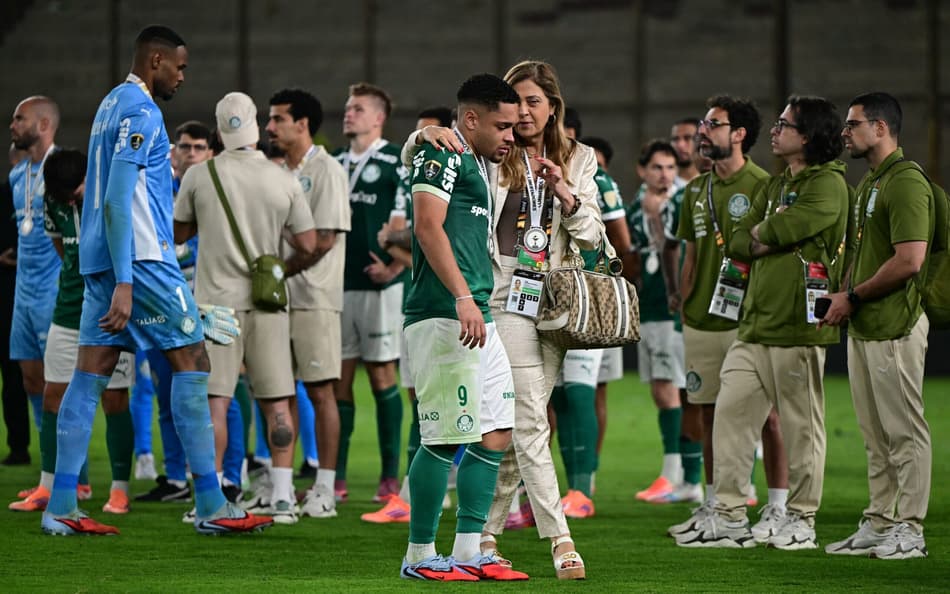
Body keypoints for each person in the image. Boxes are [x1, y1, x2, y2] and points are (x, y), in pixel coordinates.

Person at [40, 25, 271, 536]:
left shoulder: (107, 106)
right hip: (140, 263)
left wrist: (114, 277)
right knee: (194, 361)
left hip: (102, 261)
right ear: (157, 60)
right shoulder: (143, 110)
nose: (182, 77)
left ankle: (59, 506)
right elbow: (121, 197)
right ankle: (211, 503)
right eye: (180, 67)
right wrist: (128, 282)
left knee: (88, 376)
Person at [406, 60, 602, 580]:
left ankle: (480, 537)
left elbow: (593, 237)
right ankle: (560, 541)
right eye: (514, 106)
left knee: (511, 423)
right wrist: (425, 131)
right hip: (495, 293)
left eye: (533, 103)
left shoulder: (580, 159)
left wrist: (567, 194)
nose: (521, 118)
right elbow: (432, 163)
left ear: (552, 107)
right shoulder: (491, 151)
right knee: (529, 421)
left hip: (554, 297)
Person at [675, 96, 850, 549]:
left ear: (807, 136)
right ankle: (730, 516)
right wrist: (768, 233)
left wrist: (766, 233)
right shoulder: (776, 186)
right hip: (753, 325)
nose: (774, 131)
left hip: (797, 324)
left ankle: (801, 519)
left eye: (784, 125)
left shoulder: (829, 184)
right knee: (728, 417)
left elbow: (777, 231)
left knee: (800, 426)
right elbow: (739, 240)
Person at [399, 72, 526, 582]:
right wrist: (461, 297)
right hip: (445, 311)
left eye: (514, 127)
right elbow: (427, 226)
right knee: (445, 438)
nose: (511, 137)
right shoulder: (444, 152)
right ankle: (419, 555)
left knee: (496, 430)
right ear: (469, 119)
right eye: (503, 126)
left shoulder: (475, 158)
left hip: (479, 312)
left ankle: (470, 548)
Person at [175, 91, 317, 525]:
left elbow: (179, 233)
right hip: (269, 302)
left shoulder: (201, 175)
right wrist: (275, 268)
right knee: (277, 402)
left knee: (215, 401)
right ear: (256, 125)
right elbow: (309, 244)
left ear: (218, 130)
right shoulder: (281, 178)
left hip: (216, 306)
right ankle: (282, 498)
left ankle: (212, 496)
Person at [670, 95, 790, 542]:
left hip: (748, 320)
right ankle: (714, 502)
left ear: (739, 133)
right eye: (703, 122)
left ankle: (777, 506)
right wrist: (685, 303)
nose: (703, 131)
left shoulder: (764, 185)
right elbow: (692, 254)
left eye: (713, 124)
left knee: (768, 418)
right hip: (701, 319)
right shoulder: (695, 190)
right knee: (706, 415)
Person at [821, 92, 934, 560]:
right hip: (867, 325)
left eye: (853, 124)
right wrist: (843, 294)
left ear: (882, 128)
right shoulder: (871, 184)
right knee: (875, 434)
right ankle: (881, 520)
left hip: (896, 323)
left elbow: (910, 260)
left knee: (904, 430)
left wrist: (852, 296)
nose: (845, 132)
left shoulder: (905, 182)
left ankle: (910, 529)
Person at [9, 148, 137, 514]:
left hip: (110, 314)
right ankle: (48, 487)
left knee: (115, 400)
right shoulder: (55, 202)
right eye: (64, 194)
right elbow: (62, 250)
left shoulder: (113, 197)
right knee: (53, 398)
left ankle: (119, 489)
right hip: (67, 311)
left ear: (91, 177)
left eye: (76, 189)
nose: (71, 198)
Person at [265, 87, 349, 518]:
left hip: (314, 297)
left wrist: (277, 272)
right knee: (279, 392)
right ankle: (280, 484)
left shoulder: (328, 170)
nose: (269, 126)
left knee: (320, 392)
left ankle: (324, 489)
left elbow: (325, 240)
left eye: (278, 119)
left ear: (302, 124)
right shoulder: (276, 171)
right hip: (278, 299)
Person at [333, 82, 410, 504]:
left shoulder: (394, 160)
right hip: (337, 287)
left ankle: (388, 476)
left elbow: (409, 218)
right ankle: (337, 477)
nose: (349, 114)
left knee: (382, 376)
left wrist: (396, 265)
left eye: (358, 108)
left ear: (378, 118)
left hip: (380, 287)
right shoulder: (333, 162)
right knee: (339, 381)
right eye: (348, 108)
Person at [553, 135, 632, 518]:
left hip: (587, 293)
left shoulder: (594, 176)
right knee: (559, 397)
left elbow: (618, 237)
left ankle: (582, 488)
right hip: (544, 296)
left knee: (582, 391)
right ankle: (567, 488)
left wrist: (614, 283)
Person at [132, 120, 213, 485]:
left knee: (218, 394)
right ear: (174, 152)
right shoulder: (157, 189)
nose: (191, 153)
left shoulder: (216, 191)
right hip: (161, 303)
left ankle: (228, 472)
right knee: (163, 391)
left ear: (210, 153)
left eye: (198, 147)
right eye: (185, 147)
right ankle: (175, 477)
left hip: (207, 303)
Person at [627, 140, 695, 504]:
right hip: (649, 307)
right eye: (657, 167)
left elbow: (674, 250)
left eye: (670, 167)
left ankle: (679, 475)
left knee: (678, 388)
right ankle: (681, 474)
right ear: (642, 170)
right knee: (661, 388)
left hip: (675, 310)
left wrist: (657, 216)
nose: (665, 174)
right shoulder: (634, 207)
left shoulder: (684, 201)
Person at [8, 95, 62, 460]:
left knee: (57, 385)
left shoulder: (66, 170)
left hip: (54, 290)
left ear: (43, 125)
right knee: (30, 379)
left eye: (19, 118)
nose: (13, 125)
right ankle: (49, 468)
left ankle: (76, 478)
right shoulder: (17, 174)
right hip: (22, 293)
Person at [1, 143, 30, 466]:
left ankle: (67, 470)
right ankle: (18, 446)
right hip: (7, 297)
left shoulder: (54, 195)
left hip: (43, 298)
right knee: (12, 376)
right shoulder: (3, 195)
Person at [671, 117, 701, 189]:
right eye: (675, 139)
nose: (680, 145)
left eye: (687, 138)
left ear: (700, 141)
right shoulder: (660, 186)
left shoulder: (712, 184)